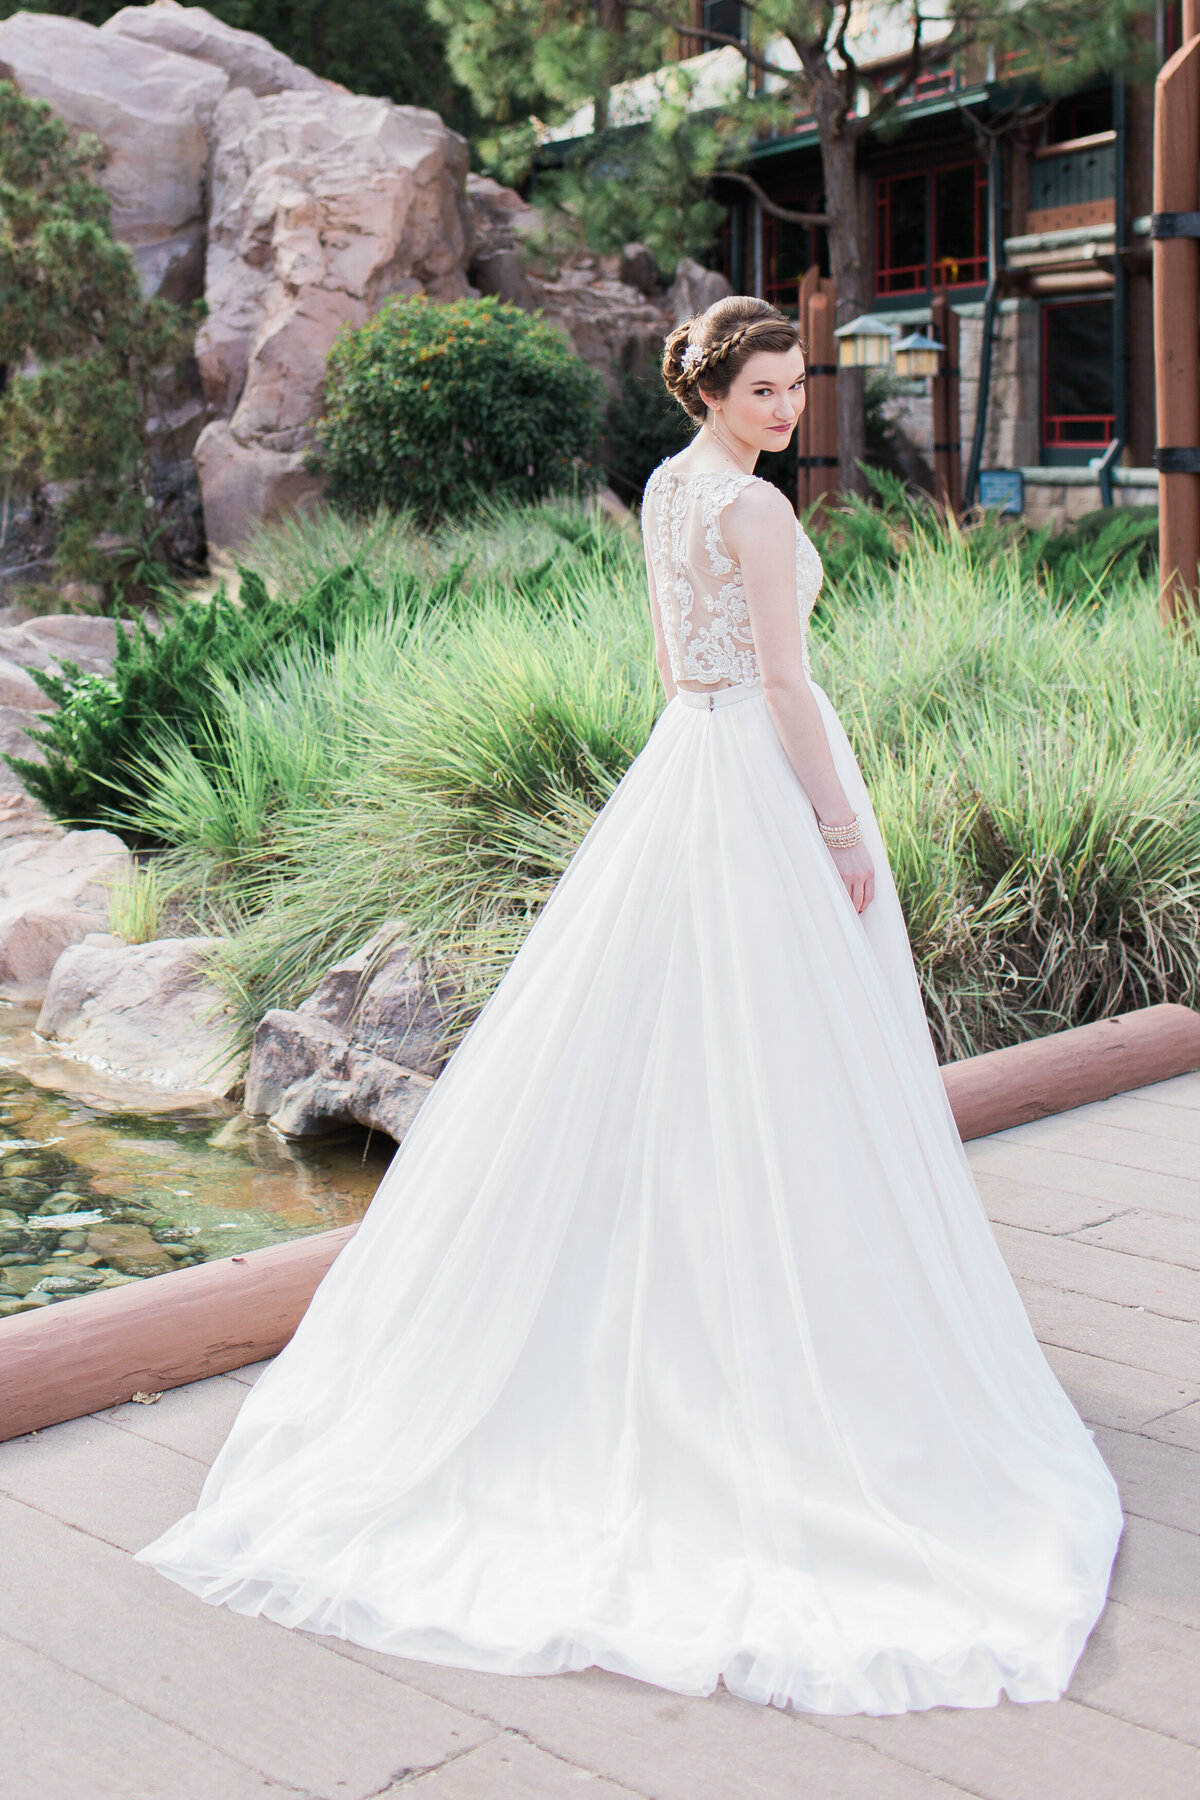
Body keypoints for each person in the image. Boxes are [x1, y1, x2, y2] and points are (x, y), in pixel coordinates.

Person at [138, 296, 1122, 1717]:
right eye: (767, 390)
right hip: (761, 792)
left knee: (665, 1052)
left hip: (680, 775)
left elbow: (674, 670)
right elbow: (786, 683)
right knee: (780, 1060)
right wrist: (844, 834)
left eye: (797, 389)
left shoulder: (668, 491)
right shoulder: (762, 519)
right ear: (714, 390)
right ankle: (770, 1346)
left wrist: (715, 747)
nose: (790, 410)